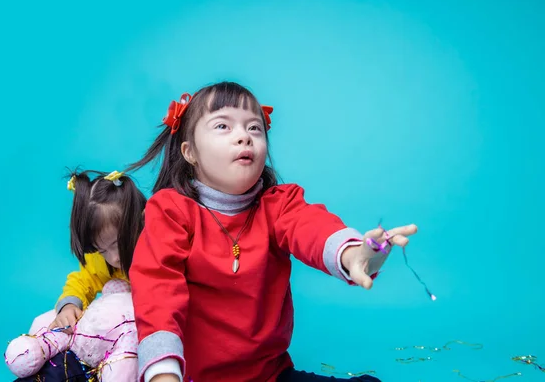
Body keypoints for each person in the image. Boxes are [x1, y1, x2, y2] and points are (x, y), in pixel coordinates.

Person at [127, 82, 418, 382]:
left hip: (271, 375)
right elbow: (157, 289)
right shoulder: (171, 210)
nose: (244, 137)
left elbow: (311, 227)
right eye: (223, 126)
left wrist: (354, 254)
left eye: (254, 128)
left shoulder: (279, 204)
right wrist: (163, 374)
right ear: (190, 152)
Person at [49, 169, 147, 332]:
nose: (114, 258)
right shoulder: (100, 262)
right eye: (102, 250)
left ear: (142, 221)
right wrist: (69, 306)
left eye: (117, 244)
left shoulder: (161, 251)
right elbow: (81, 282)